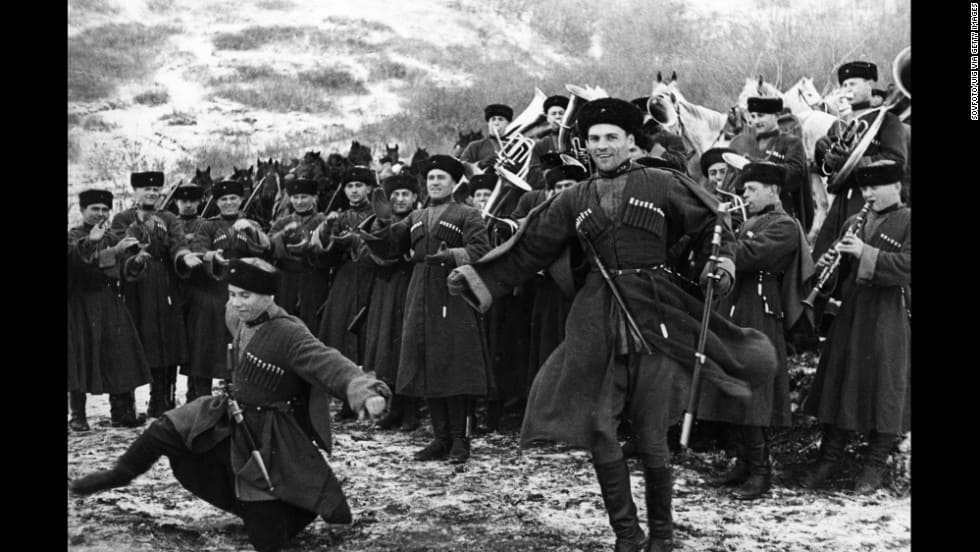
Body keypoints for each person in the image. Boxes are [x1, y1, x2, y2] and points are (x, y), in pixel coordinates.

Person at [447, 98, 777, 552]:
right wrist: (477, 277)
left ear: (629, 142)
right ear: (584, 144)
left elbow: (712, 228)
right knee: (600, 428)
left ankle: (661, 534)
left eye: (611, 138)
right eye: (594, 139)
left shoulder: (662, 183)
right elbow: (529, 249)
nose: (602, 147)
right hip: (596, 320)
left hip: (658, 314)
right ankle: (627, 533)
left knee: (650, 431)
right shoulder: (572, 198)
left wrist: (718, 264)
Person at [70, 258, 391, 552]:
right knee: (167, 428)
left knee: (266, 535)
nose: (236, 303)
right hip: (230, 411)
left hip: (266, 434)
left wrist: (365, 391)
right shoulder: (237, 316)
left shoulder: (290, 334)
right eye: (233, 294)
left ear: (269, 296)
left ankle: (291, 513)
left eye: (245, 296)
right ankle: (120, 473)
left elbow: (332, 364)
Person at [359, 154, 492, 464]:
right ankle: (440, 437)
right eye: (431, 178)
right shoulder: (416, 216)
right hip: (420, 292)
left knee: (454, 366)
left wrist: (454, 255)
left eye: (441, 178)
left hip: (454, 292)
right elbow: (391, 244)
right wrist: (382, 221)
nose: (434, 183)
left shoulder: (468, 214)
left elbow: (482, 251)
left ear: (455, 183)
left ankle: (461, 439)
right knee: (427, 362)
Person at [697, 162, 814, 500]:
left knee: (754, 390)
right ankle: (743, 463)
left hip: (759, 312)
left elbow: (749, 254)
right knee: (734, 385)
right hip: (735, 306)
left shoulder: (785, 226)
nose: (744, 196)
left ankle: (761, 471)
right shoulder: (749, 222)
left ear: (773, 191)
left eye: (750, 189)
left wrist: (723, 237)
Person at [801, 160, 910, 494]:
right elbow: (838, 277)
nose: (868, 194)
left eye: (874, 187)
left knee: (886, 388)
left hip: (890, 313)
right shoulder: (853, 221)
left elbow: (907, 266)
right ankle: (829, 459)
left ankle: (873, 466)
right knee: (841, 382)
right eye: (864, 189)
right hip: (853, 313)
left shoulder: (908, 219)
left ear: (896, 186)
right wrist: (829, 268)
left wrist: (865, 252)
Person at [175, 180, 271, 402]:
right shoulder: (207, 226)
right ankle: (200, 397)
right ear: (216, 202)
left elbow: (264, 249)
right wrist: (212, 258)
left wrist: (248, 230)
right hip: (213, 291)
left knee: (240, 343)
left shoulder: (251, 224)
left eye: (233, 198)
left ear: (241, 200)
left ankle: (239, 394)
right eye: (223, 199)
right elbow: (199, 251)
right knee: (205, 344)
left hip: (244, 292)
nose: (228, 203)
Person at [68, 189, 151, 430]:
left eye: (105, 210)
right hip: (80, 304)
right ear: (82, 210)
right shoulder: (73, 236)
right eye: (95, 209)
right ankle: (78, 416)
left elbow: (125, 268)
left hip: (109, 300)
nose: (100, 214)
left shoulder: (113, 236)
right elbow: (77, 264)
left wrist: (135, 262)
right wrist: (96, 244)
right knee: (80, 356)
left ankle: (122, 412)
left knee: (120, 351)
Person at [811, 61, 908, 263]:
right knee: (823, 259)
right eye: (844, 85)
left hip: (870, 203)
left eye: (853, 84)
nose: (847, 90)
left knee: (855, 266)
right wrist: (826, 159)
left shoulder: (888, 120)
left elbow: (896, 161)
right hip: (840, 205)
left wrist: (852, 162)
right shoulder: (840, 124)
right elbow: (827, 171)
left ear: (869, 84)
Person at [112, 171, 190, 418]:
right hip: (134, 285)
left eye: (156, 190)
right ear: (135, 192)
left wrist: (181, 254)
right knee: (130, 342)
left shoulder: (169, 217)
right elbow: (121, 246)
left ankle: (161, 401)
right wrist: (139, 230)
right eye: (146, 189)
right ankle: (123, 407)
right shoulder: (122, 218)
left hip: (164, 283)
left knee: (165, 341)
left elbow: (178, 244)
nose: (152, 193)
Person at [365, 174, 422, 431]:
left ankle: (412, 411)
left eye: (405, 194)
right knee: (390, 348)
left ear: (415, 198)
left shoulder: (422, 219)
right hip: (388, 289)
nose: (400, 199)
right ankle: (396, 408)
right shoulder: (380, 223)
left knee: (410, 348)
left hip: (413, 288)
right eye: (395, 195)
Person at [729, 97, 812, 231]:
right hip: (749, 217)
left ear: (777, 116)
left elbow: (795, 174)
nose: (756, 121)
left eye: (761, 116)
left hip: (783, 216)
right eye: (753, 116)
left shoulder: (791, 142)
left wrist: (756, 165)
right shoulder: (746, 144)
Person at [267, 178, 330, 331]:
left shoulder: (323, 221)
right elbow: (269, 247)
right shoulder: (281, 223)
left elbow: (330, 250)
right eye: (295, 197)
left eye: (304, 197)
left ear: (314, 198)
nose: (299, 202)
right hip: (286, 283)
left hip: (314, 282)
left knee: (313, 325)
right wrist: (283, 235)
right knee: (285, 325)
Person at [526, 94, 569, 189]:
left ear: (568, 116)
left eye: (561, 113)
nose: (558, 117)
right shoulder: (539, 145)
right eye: (553, 114)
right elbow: (532, 177)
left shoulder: (577, 140)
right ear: (547, 118)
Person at [460, 103, 513, 175]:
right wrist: (479, 164)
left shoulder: (517, 145)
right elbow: (461, 169)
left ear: (508, 123)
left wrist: (516, 167)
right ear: (488, 122)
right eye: (493, 119)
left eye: (501, 119)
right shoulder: (474, 146)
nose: (496, 123)